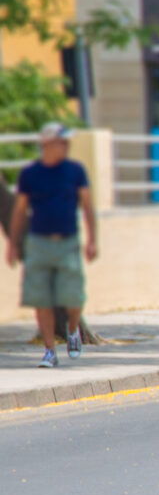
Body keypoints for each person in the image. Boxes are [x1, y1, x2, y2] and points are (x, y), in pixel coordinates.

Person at [6, 123, 97, 369]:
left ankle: (72, 329)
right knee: (41, 299)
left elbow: (87, 205)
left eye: (68, 142)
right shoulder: (30, 174)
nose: (67, 146)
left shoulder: (76, 171)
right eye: (62, 141)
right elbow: (19, 210)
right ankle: (49, 352)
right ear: (47, 144)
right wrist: (13, 245)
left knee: (74, 298)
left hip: (67, 242)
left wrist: (92, 239)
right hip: (37, 243)